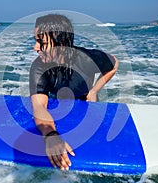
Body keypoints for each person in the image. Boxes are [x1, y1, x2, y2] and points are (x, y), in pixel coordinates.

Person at [29, 14, 118, 170]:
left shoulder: (86, 59)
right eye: (35, 41)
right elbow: (39, 106)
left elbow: (114, 63)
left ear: (61, 43)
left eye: (41, 42)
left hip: (84, 101)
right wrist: (51, 135)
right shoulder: (39, 67)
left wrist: (95, 90)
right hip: (57, 103)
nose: (35, 48)